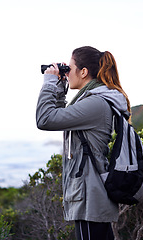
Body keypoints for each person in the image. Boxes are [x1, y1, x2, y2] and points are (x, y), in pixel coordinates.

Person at [36, 46, 131, 240]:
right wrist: (60, 90)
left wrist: (48, 83)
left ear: (84, 72)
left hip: (91, 197)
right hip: (90, 195)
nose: (67, 73)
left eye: (69, 68)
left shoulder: (95, 104)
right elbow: (61, 118)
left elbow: (45, 119)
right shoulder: (91, 101)